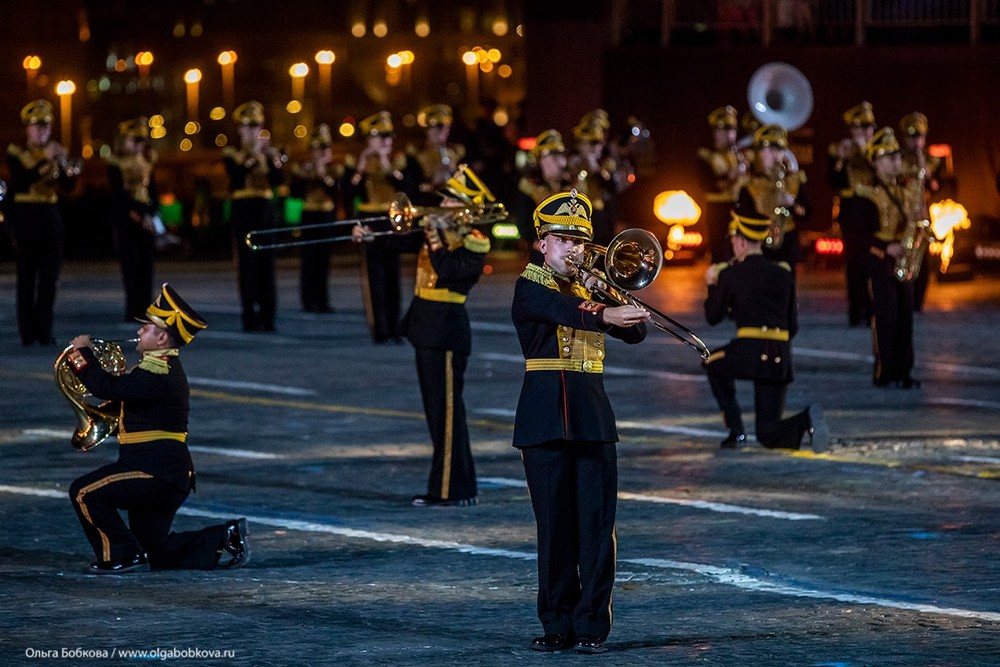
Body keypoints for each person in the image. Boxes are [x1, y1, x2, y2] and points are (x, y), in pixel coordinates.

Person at [512, 190, 649, 654]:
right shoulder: (529, 285)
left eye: (580, 242)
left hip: (592, 418)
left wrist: (610, 287)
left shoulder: (590, 286)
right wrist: (604, 308)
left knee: (596, 528)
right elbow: (563, 312)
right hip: (544, 417)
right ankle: (556, 623)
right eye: (563, 239)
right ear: (542, 243)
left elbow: (639, 333)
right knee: (554, 529)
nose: (573, 249)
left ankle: (591, 626)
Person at [66, 283, 249, 573]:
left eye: (147, 328)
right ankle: (224, 536)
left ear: (162, 337)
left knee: (84, 492)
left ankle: (120, 556)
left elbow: (104, 386)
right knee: (156, 549)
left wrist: (81, 355)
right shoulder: (155, 369)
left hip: (154, 471)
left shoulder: (159, 371)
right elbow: (134, 408)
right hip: (165, 473)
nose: (139, 331)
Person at [401, 167, 492, 508]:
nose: (441, 203)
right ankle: (453, 487)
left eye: (450, 199)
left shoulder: (474, 240)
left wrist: (436, 236)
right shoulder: (438, 230)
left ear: (466, 208)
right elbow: (401, 239)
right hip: (426, 326)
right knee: (438, 415)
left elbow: (451, 272)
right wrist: (366, 234)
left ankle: (452, 490)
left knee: (448, 416)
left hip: (446, 330)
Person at [703, 209, 829, 451]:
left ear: (740, 241)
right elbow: (792, 325)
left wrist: (712, 285)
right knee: (768, 431)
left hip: (749, 349)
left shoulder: (730, 273)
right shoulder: (784, 273)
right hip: (780, 354)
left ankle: (736, 429)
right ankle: (806, 418)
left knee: (713, 364)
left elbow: (712, 317)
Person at [5, 99, 81, 346]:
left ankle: (45, 331)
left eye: (46, 126)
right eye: (37, 127)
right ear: (27, 128)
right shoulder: (16, 152)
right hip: (26, 218)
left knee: (49, 280)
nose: (42, 131)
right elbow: (21, 180)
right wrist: (45, 161)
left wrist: (63, 164)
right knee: (26, 279)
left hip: (50, 219)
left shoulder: (56, 150)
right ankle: (27, 332)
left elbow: (68, 187)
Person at [854, 128, 924, 388]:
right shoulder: (867, 194)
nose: (896, 162)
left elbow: (918, 221)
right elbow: (858, 236)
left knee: (905, 315)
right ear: (875, 162)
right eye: (889, 157)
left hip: (903, 257)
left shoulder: (907, 189)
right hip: (880, 258)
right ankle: (885, 372)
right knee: (886, 316)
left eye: (897, 156)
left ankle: (904, 371)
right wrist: (885, 249)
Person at [343, 110, 418, 343]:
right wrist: (360, 169)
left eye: (389, 136)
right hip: (369, 219)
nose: (387, 141)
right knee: (374, 276)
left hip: (391, 218)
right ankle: (380, 329)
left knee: (393, 275)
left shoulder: (397, 160)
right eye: (381, 136)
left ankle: (396, 327)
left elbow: (405, 187)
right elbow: (348, 193)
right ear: (369, 139)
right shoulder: (356, 161)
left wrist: (386, 163)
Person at [222, 100, 285, 332]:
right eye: (248, 126)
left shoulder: (270, 152)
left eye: (257, 126)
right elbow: (236, 177)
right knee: (247, 266)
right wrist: (253, 156)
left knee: (267, 264)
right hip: (243, 209)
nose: (253, 131)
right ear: (240, 129)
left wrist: (272, 158)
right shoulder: (232, 153)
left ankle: (269, 316)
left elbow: (279, 181)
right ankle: (250, 315)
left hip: (264, 209)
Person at [734, 124, 810, 275]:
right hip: (758, 247)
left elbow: (808, 213)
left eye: (780, 150)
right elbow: (740, 215)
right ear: (759, 152)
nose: (776, 155)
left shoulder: (794, 180)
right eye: (770, 150)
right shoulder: (748, 183)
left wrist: (793, 203)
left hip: (787, 246)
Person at [106, 117, 159, 322]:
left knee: (147, 267)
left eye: (142, 141)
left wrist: (152, 212)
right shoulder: (115, 162)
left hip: (145, 215)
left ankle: (146, 309)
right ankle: (133, 310)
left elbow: (152, 189)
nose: (139, 145)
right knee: (131, 267)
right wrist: (138, 215)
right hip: (126, 220)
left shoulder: (148, 159)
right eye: (135, 140)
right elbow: (118, 194)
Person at [828, 101, 877, 327]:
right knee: (855, 263)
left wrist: (866, 151)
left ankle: (874, 309)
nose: (865, 132)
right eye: (860, 127)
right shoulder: (842, 149)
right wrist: (840, 158)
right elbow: (832, 181)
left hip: (875, 208)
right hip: (852, 211)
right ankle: (856, 310)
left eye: (868, 127)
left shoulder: (878, 149)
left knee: (874, 261)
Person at [289, 123, 342, 313]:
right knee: (309, 259)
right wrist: (305, 176)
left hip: (326, 214)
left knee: (324, 259)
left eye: (325, 148)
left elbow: (337, 192)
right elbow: (295, 193)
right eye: (318, 148)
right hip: (310, 214)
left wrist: (323, 175)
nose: (322, 152)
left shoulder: (334, 169)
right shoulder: (303, 168)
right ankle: (308, 300)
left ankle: (323, 299)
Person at [898, 112, 941, 312]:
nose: (917, 141)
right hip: (903, 214)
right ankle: (904, 296)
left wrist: (922, 161)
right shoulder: (897, 158)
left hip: (922, 213)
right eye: (913, 136)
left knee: (923, 260)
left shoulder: (930, 159)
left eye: (920, 136)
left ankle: (919, 301)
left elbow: (934, 186)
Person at [567, 109, 627, 246]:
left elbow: (613, 187)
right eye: (592, 143)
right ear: (581, 143)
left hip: (600, 216)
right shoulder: (572, 161)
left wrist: (596, 169)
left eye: (599, 143)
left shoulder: (605, 163)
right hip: (576, 214)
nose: (597, 147)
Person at [697, 105, 747, 263]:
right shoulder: (705, 155)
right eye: (725, 130)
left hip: (737, 208)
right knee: (720, 252)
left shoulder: (738, 155)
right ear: (715, 132)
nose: (730, 135)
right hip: (717, 209)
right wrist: (729, 176)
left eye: (732, 130)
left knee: (737, 253)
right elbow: (706, 184)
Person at [514, 129, 570, 263]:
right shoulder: (529, 186)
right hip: (541, 253)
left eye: (562, 156)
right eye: (554, 157)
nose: (561, 162)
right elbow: (523, 221)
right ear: (539, 159)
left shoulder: (572, 185)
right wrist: (536, 242)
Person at [412, 104, 464, 204]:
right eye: (438, 128)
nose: (443, 132)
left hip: (450, 201)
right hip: (427, 202)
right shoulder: (416, 153)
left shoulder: (455, 151)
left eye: (447, 128)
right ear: (427, 129)